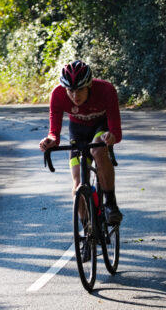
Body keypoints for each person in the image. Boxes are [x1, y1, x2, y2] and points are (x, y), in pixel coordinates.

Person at [39, 60, 123, 225]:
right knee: (78, 184)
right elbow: (54, 133)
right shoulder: (58, 94)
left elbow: (116, 132)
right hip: (78, 130)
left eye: (80, 90)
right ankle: (86, 228)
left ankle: (110, 204)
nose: (75, 96)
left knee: (98, 151)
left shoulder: (106, 90)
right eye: (70, 91)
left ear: (89, 85)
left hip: (101, 127)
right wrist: (49, 141)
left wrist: (111, 137)